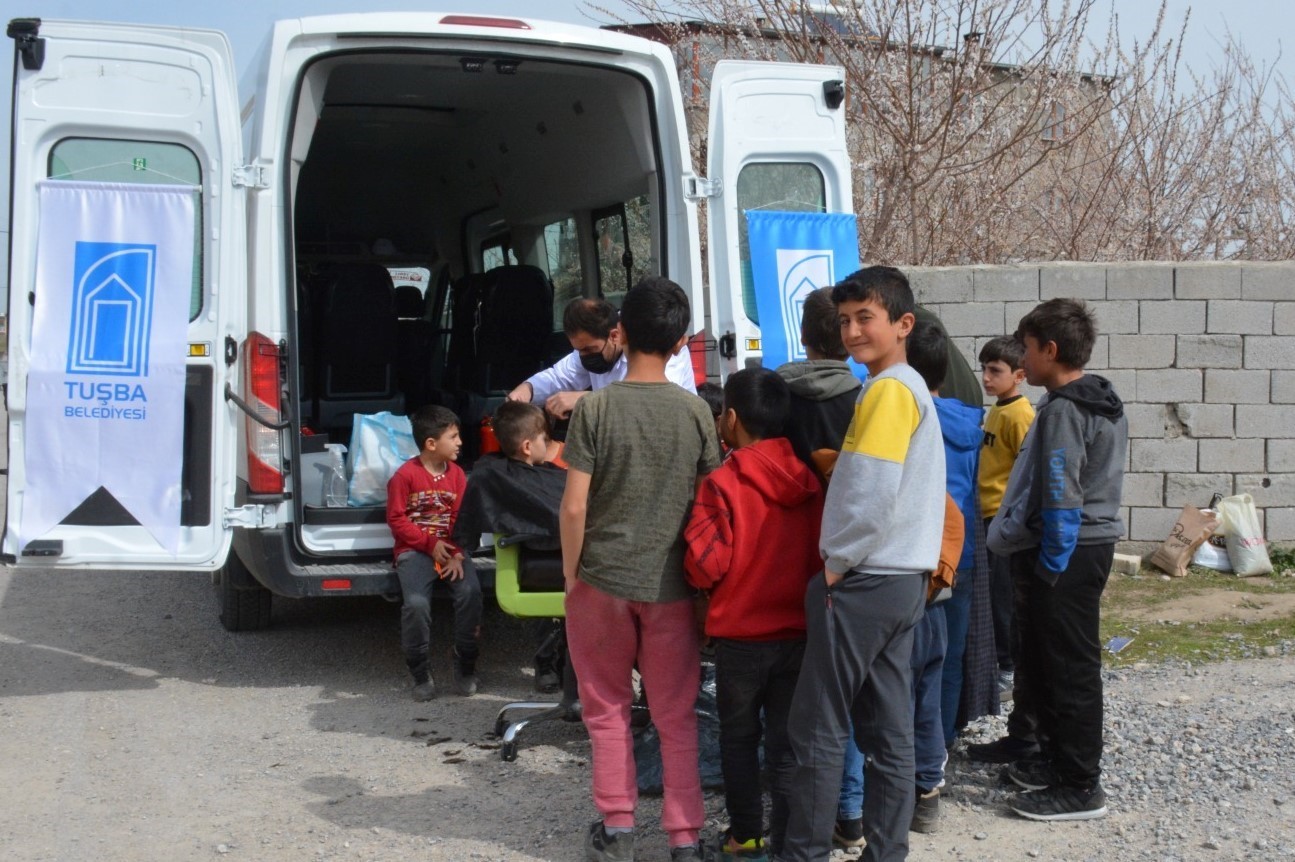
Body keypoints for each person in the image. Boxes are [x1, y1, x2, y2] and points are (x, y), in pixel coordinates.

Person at [779, 265, 945, 862]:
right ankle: (887, 853)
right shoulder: (910, 387)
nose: (851, 332)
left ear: (903, 324)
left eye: (865, 318)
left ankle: (803, 854)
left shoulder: (888, 391)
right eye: (844, 320)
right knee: (889, 731)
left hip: (867, 578)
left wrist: (837, 564)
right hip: (903, 581)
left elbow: (870, 493)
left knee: (818, 730)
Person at [560, 276, 722, 862]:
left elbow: (574, 505)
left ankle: (618, 830)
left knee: (606, 708)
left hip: (601, 579)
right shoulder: (697, 413)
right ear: (681, 344)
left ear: (619, 331)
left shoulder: (595, 409)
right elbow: (709, 509)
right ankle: (683, 837)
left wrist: (573, 577)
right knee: (676, 714)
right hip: (673, 586)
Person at [989, 298, 1127, 822]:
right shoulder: (1096, 398)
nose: (1022, 360)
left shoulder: (1068, 408)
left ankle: (1079, 785)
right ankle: (1053, 761)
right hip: (1079, 549)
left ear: (1050, 350)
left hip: (1068, 553)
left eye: (1026, 349)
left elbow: (1061, 493)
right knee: (1048, 663)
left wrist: (1049, 567)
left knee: (1069, 669)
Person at [683, 368, 824, 861]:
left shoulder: (722, 484)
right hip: (801, 633)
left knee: (739, 738)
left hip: (742, 638)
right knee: (787, 745)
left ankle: (746, 837)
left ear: (733, 419)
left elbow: (707, 564)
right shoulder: (810, 479)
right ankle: (789, 842)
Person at [772, 286, 866, 848]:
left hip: (779, 553)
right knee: (842, 690)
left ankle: (788, 803)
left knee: (786, 690)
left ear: (803, 335)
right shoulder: (868, 398)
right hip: (845, 557)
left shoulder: (774, 395)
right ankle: (850, 813)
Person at [904, 320, 983, 834]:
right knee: (947, 659)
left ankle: (909, 763)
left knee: (907, 669)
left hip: (917, 559)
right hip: (962, 554)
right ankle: (942, 751)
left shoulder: (908, 417)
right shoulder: (972, 421)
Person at [966, 335, 1040, 764]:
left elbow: (1026, 473)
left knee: (1002, 594)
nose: (987, 378)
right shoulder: (997, 412)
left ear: (1019, 375)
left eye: (996, 371)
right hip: (985, 514)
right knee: (991, 592)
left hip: (1001, 518)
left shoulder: (1021, 415)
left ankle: (1007, 664)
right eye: (985, 369)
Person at [386, 405, 482, 700]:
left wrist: (456, 554)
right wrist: (429, 544)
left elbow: (461, 517)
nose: (460, 442)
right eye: (453, 437)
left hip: (452, 550)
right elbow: (397, 519)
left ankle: (465, 662)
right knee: (416, 604)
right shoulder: (404, 476)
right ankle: (419, 670)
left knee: (471, 594)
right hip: (415, 550)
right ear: (431, 444)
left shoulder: (457, 476)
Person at [506, 296, 697, 419]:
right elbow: (560, 377)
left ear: (615, 336)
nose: (584, 357)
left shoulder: (654, 343)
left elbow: (655, 403)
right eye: (578, 350)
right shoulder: (591, 346)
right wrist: (528, 389)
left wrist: (586, 399)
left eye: (589, 349)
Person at [775, 286, 862, 484]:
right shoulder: (865, 403)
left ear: (803, 335)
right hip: (841, 512)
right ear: (848, 341)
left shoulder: (773, 395)